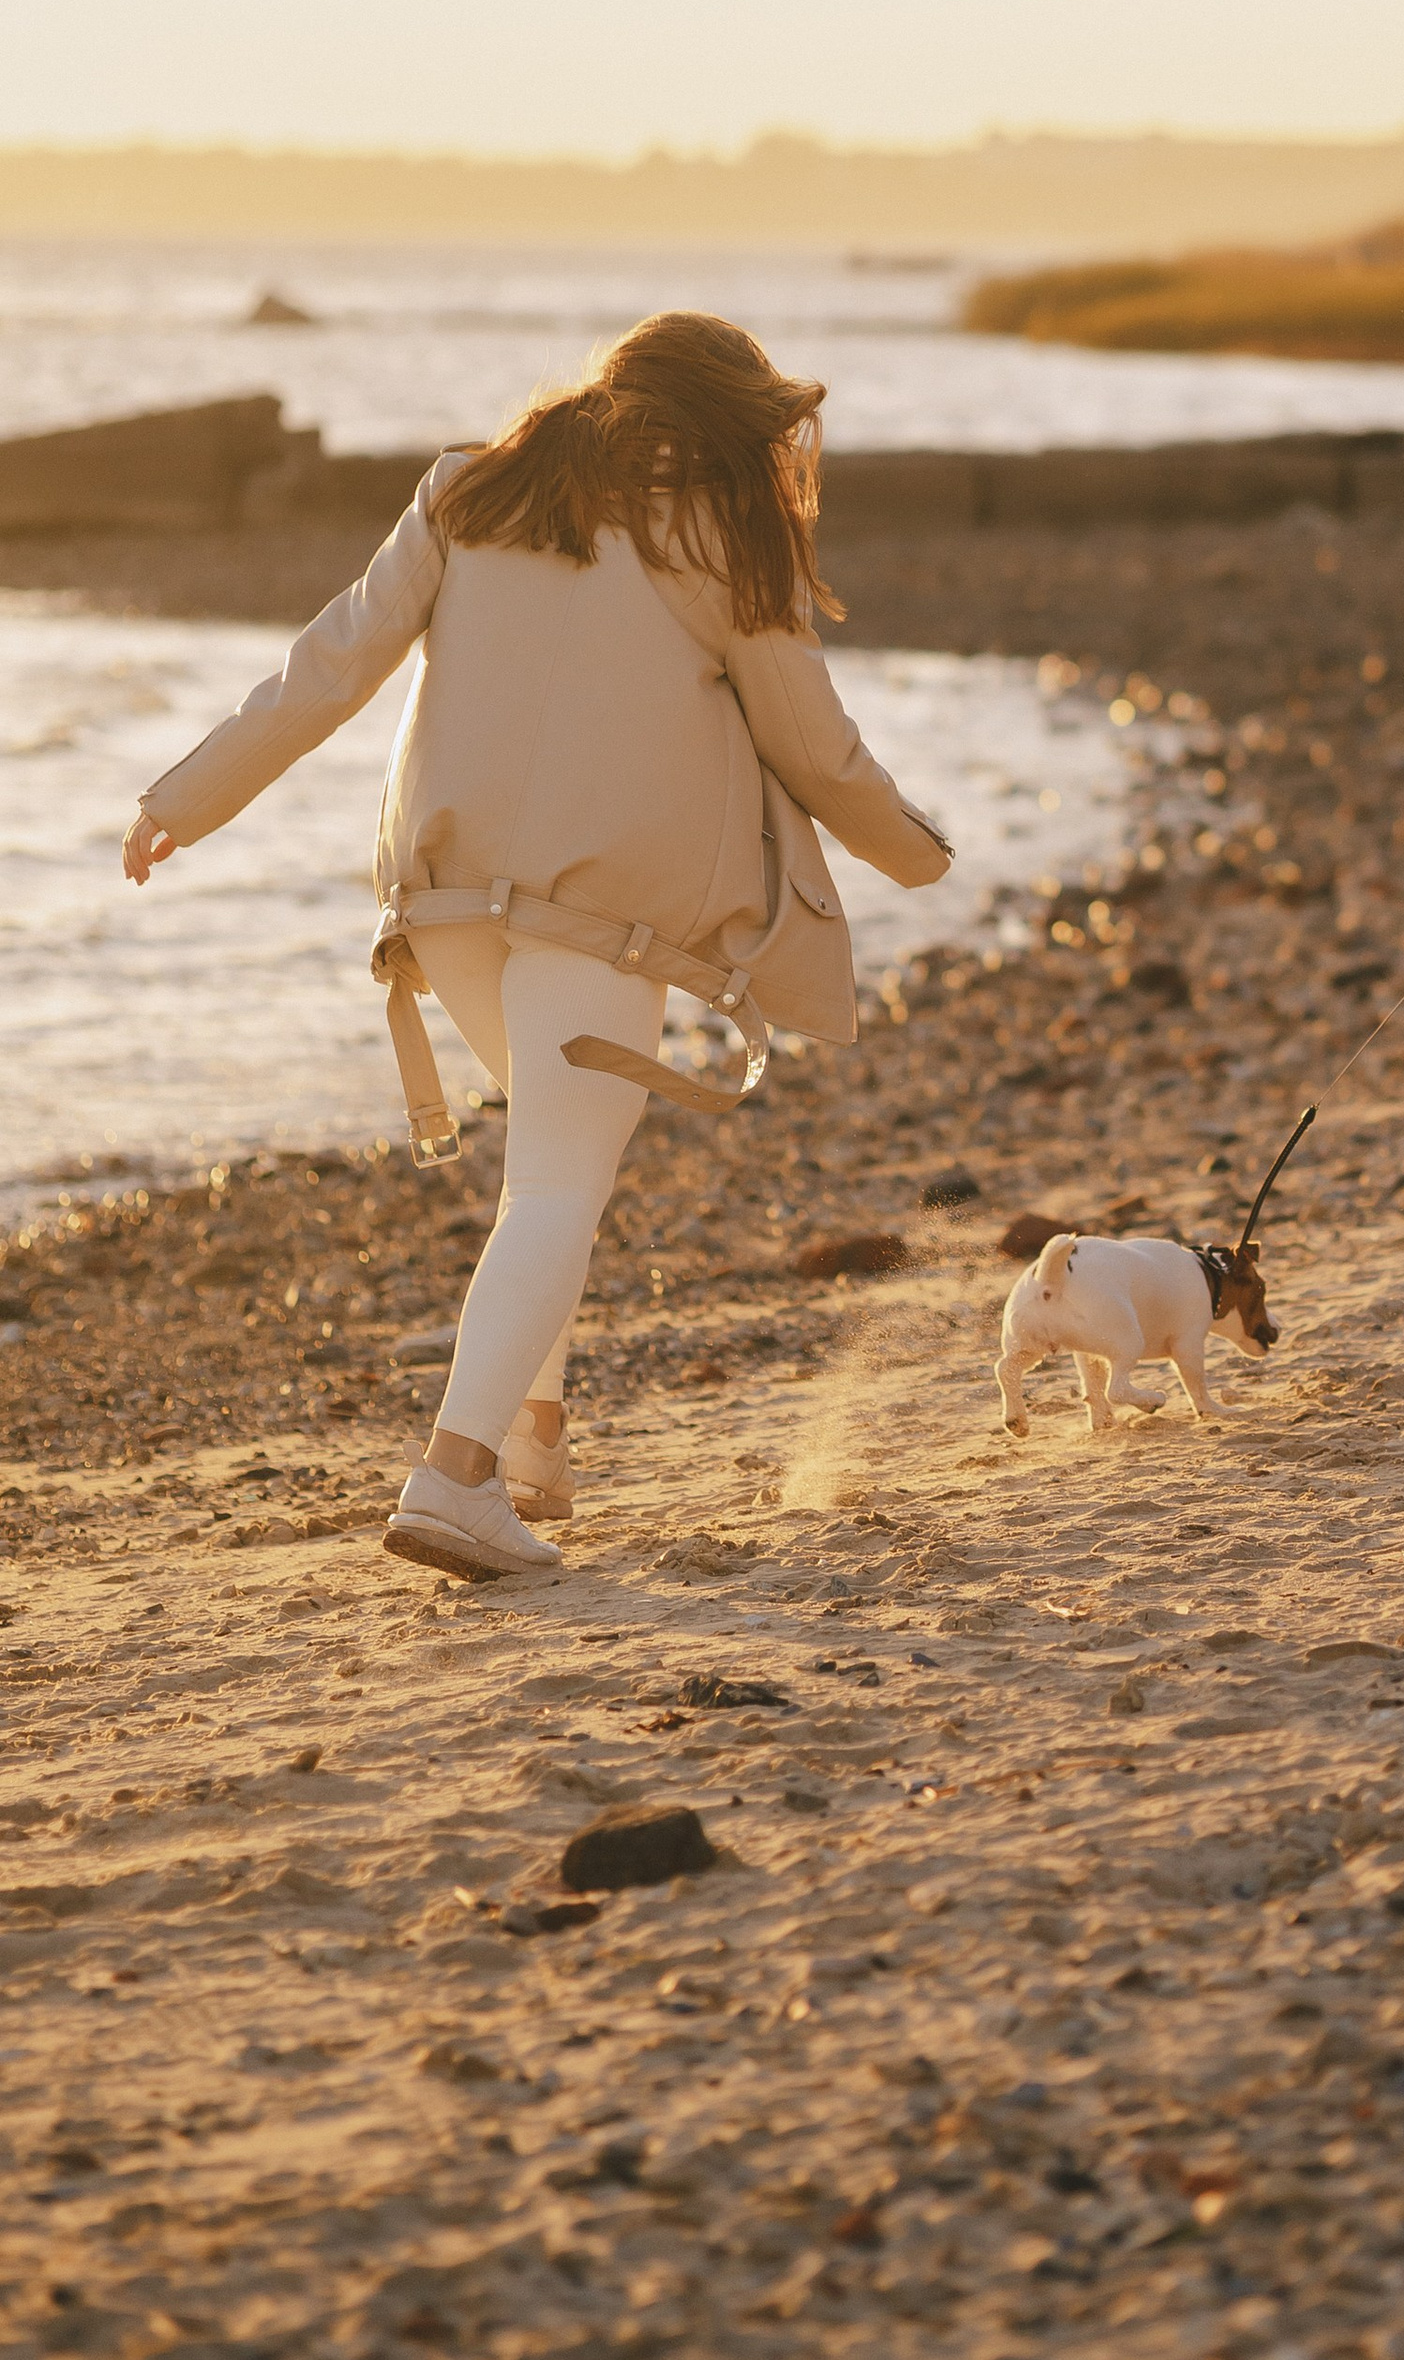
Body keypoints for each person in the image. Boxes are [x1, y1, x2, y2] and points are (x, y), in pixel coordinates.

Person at [123, 313, 953, 1583]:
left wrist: (181, 798)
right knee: (560, 1186)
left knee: (544, 1178)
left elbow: (331, 665)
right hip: (600, 916)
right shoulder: (721, 533)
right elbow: (809, 740)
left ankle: (535, 1450)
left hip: (446, 903)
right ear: (721, 423)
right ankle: (454, 1481)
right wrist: (918, 853)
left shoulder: (471, 488)